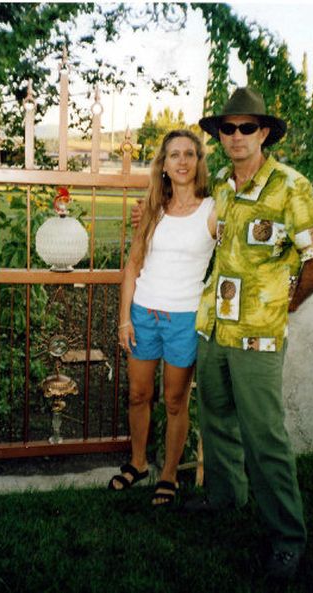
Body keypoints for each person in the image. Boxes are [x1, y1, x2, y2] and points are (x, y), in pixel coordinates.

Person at [131, 87, 313, 579]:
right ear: (219, 136)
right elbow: (180, 220)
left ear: (264, 133)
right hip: (212, 329)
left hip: (259, 336)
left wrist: (289, 301)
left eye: (247, 128)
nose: (237, 136)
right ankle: (226, 498)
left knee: (264, 436)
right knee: (215, 419)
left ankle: (287, 536)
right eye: (228, 128)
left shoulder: (291, 186)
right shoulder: (218, 184)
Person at [108, 129, 217, 507]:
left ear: (199, 162)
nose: (183, 161)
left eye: (190, 154)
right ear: (164, 164)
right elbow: (133, 265)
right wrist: (125, 318)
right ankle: (138, 463)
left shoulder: (213, 210)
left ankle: (168, 473)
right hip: (144, 314)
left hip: (184, 319)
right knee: (139, 394)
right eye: (175, 155)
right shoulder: (151, 207)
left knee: (174, 401)